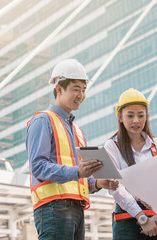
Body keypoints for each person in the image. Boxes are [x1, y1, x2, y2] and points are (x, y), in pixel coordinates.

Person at [26, 59, 118, 240]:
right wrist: (77, 171)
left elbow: (80, 177)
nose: (81, 95)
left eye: (83, 90)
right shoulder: (43, 121)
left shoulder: (76, 130)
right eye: (76, 89)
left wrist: (99, 183)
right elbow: (37, 166)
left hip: (76, 209)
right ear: (59, 89)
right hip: (52, 209)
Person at [105, 88, 157, 240]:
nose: (136, 120)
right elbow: (115, 188)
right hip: (127, 223)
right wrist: (142, 218)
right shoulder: (112, 147)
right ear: (120, 117)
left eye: (141, 115)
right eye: (130, 115)